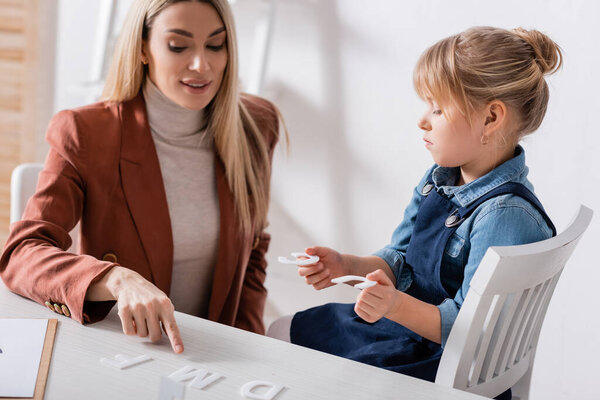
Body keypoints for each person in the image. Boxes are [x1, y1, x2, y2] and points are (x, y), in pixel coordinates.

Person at [268, 26, 561, 398]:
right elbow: (401, 259)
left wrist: (393, 305)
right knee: (282, 331)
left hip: (439, 360)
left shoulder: (504, 216)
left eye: (438, 108)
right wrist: (349, 266)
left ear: (491, 118)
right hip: (405, 329)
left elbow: (470, 331)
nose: (422, 120)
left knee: (295, 356)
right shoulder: (439, 180)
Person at [0, 0, 283, 354]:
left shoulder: (256, 126)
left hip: (212, 356)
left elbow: (253, 250)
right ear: (143, 49)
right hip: (120, 351)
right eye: (178, 46)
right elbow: (22, 254)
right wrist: (114, 278)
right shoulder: (86, 132)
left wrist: (250, 347)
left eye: (215, 44)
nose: (201, 65)